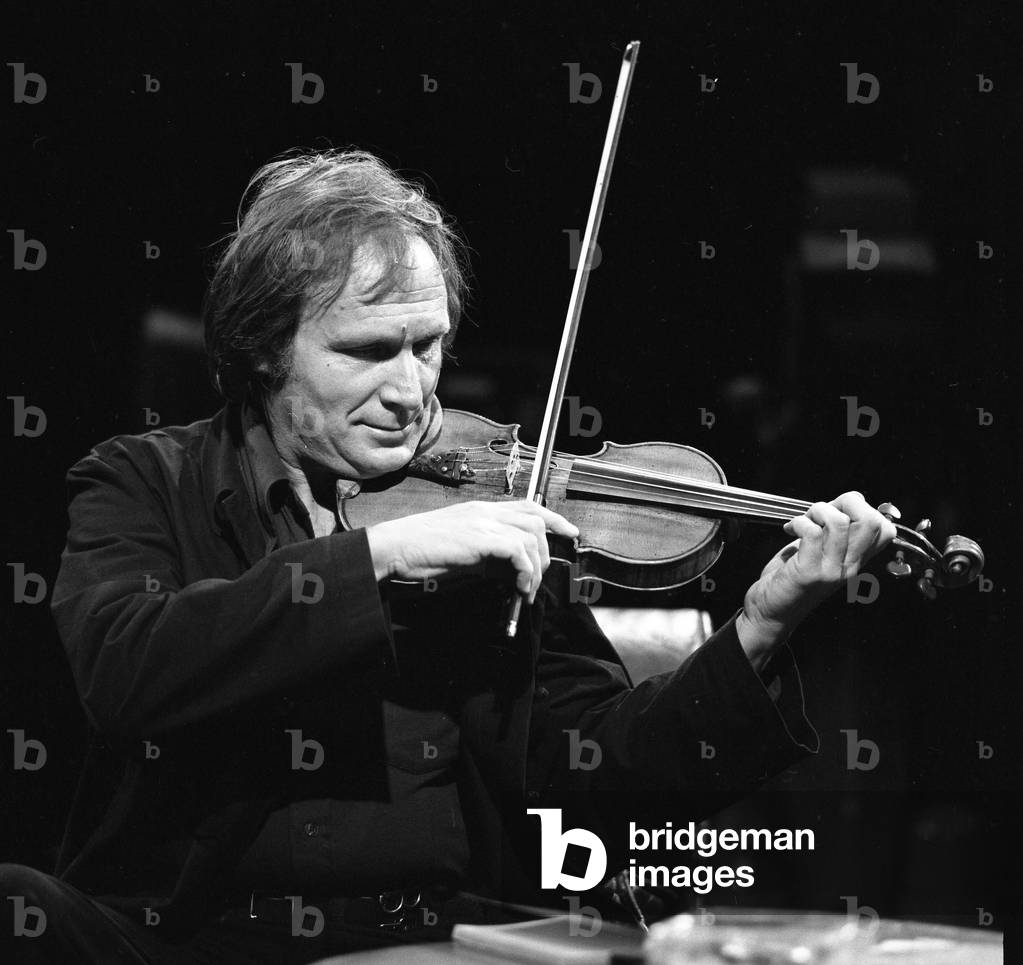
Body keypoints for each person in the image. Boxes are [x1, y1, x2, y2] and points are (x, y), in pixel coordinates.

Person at [0, 149, 896, 963]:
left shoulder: (499, 511)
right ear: (263, 349)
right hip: (190, 937)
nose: (410, 390)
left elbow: (591, 778)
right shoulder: (142, 479)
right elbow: (126, 668)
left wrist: (760, 628)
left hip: (434, 938)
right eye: (367, 350)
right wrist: (378, 556)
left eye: (426, 345)